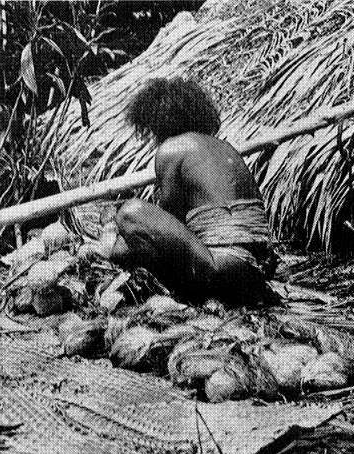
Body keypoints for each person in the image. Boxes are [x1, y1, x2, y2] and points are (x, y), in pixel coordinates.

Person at [109, 76, 277, 306]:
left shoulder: (173, 148)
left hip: (222, 266)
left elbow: (169, 221)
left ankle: (182, 295)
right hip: (258, 268)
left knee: (130, 214)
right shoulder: (223, 146)